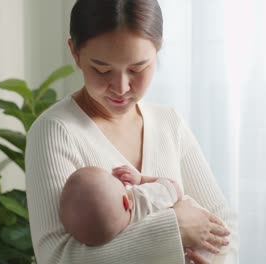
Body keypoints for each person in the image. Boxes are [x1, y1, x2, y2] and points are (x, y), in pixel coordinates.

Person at [25, 0, 239, 263]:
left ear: (158, 51)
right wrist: (176, 229)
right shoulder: (55, 132)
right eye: (102, 69)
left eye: (138, 69)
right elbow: (57, 257)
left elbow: (224, 224)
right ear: (75, 53)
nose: (121, 87)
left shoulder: (167, 122)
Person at [59, 165, 225, 263]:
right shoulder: (145, 198)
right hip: (206, 239)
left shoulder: (115, 242)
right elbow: (173, 187)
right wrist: (142, 180)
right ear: (126, 201)